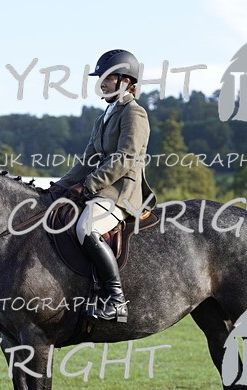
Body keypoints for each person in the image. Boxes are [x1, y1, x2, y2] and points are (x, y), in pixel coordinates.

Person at [52, 49, 157, 322]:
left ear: (125, 81)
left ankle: (116, 300)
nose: (102, 83)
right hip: (101, 188)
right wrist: (58, 188)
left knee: (86, 227)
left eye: (108, 78)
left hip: (122, 191)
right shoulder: (104, 116)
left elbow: (126, 158)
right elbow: (87, 159)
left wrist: (88, 185)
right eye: (101, 78)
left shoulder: (135, 113)